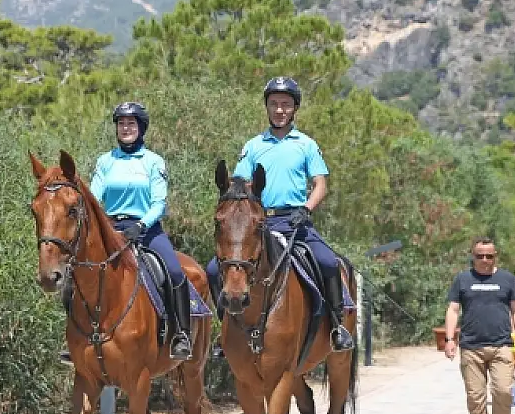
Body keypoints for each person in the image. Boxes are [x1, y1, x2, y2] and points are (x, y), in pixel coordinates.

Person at [206, 76, 354, 353]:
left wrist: (305, 209)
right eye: (274, 104)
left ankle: (336, 326)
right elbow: (240, 183)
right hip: (259, 224)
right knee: (214, 269)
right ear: (267, 107)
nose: (279, 110)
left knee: (327, 262)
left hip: (295, 222)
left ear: (295, 108)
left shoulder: (306, 144)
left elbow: (321, 184)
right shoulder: (253, 146)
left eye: (285, 104)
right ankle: (225, 327)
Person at [89, 101, 193, 360]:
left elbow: (159, 203)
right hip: (110, 228)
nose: (125, 128)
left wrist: (141, 225)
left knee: (174, 270)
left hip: (146, 229)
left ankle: (181, 334)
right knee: (77, 272)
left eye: (131, 124)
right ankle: (77, 337)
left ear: (141, 128)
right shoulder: (105, 161)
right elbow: (93, 197)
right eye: (121, 124)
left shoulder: (153, 161)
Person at [443, 237, 515, 414]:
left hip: (501, 346)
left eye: (488, 256)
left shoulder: (507, 279)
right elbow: (453, 309)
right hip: (471, 347)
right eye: (479, 256)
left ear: (495, 256)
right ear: (473, 256)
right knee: (475, 397)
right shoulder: (463, 279)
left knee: (502, 392)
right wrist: (450, 339)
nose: (484, 260)